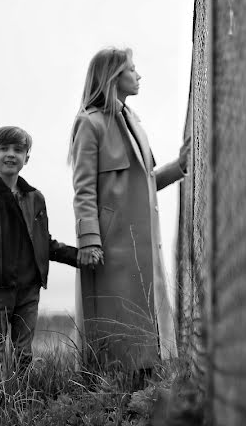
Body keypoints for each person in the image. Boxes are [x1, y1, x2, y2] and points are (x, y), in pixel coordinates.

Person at [70, 47, 188, 378]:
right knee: (112, 322)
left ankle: (142, 386)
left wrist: (180, 167)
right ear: (113, 77)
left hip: (144, 245)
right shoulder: (89, 124)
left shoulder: (134, 121)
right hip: (111, 244)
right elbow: (83, 189)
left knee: (144, 320)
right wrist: (89, 240)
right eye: (132, 70)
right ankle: (106, 390)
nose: (138, 76)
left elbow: (146, 182)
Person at [0, 126, 79, 381]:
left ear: (27, 158)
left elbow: (43, 242)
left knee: (23, 352)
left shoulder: (35, 197)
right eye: (4, 149)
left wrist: (78, 257)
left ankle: (19, 401)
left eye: (18, 150)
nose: (11, 154)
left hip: (29, 288)